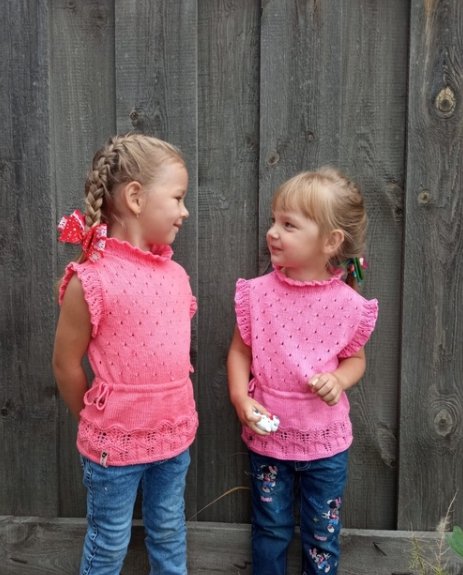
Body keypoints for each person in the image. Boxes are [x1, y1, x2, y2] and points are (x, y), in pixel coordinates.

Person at [52, 133, 198, 575]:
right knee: (109, 540)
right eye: (178, 198)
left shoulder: (176, 275)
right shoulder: (91, 279)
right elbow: (65, 364)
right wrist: (94, 419)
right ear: (136, 197)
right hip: (112, 448)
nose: (184, 211)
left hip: (173, 437)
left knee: (169, 530)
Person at [227, 167, 379, 575]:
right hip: (268, 438)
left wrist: (338, 380)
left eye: (288, 224)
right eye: (273, 221)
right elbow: (240, 352)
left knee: (322, 536)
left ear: (330, 241)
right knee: (269, 529)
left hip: (326, 444)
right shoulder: (258, 294)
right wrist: (240, 397)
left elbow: (356, 360)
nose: (273, 232)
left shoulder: (349, 305)